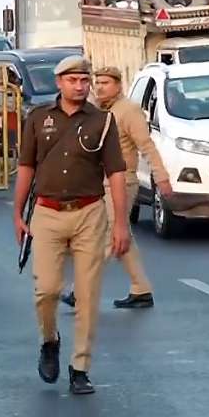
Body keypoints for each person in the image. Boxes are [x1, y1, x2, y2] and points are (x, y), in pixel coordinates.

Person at [12, 55, 129, 396]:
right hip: (46, 213)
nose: (79, 86)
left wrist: (120, 223)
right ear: (59, 82)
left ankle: (81, 367)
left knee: (88, 296)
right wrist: (18, 214)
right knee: (46, 290)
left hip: (89, 213)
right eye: (72, 80)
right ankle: (49, 341)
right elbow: (25, 168)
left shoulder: (103, 121)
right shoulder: (38, 119)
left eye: (84, 80)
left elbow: (117, 174)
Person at [62, 65, 168, 309]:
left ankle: (81, 291)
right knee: (123, 237)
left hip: (121, 180)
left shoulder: (128, 111)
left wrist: (160, 177)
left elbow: (146, 146)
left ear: (118, 86)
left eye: (106, 83)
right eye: (97, 82)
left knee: (109, 236)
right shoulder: (98, 111)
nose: (99, 87)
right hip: (100, 182)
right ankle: (141, 289)